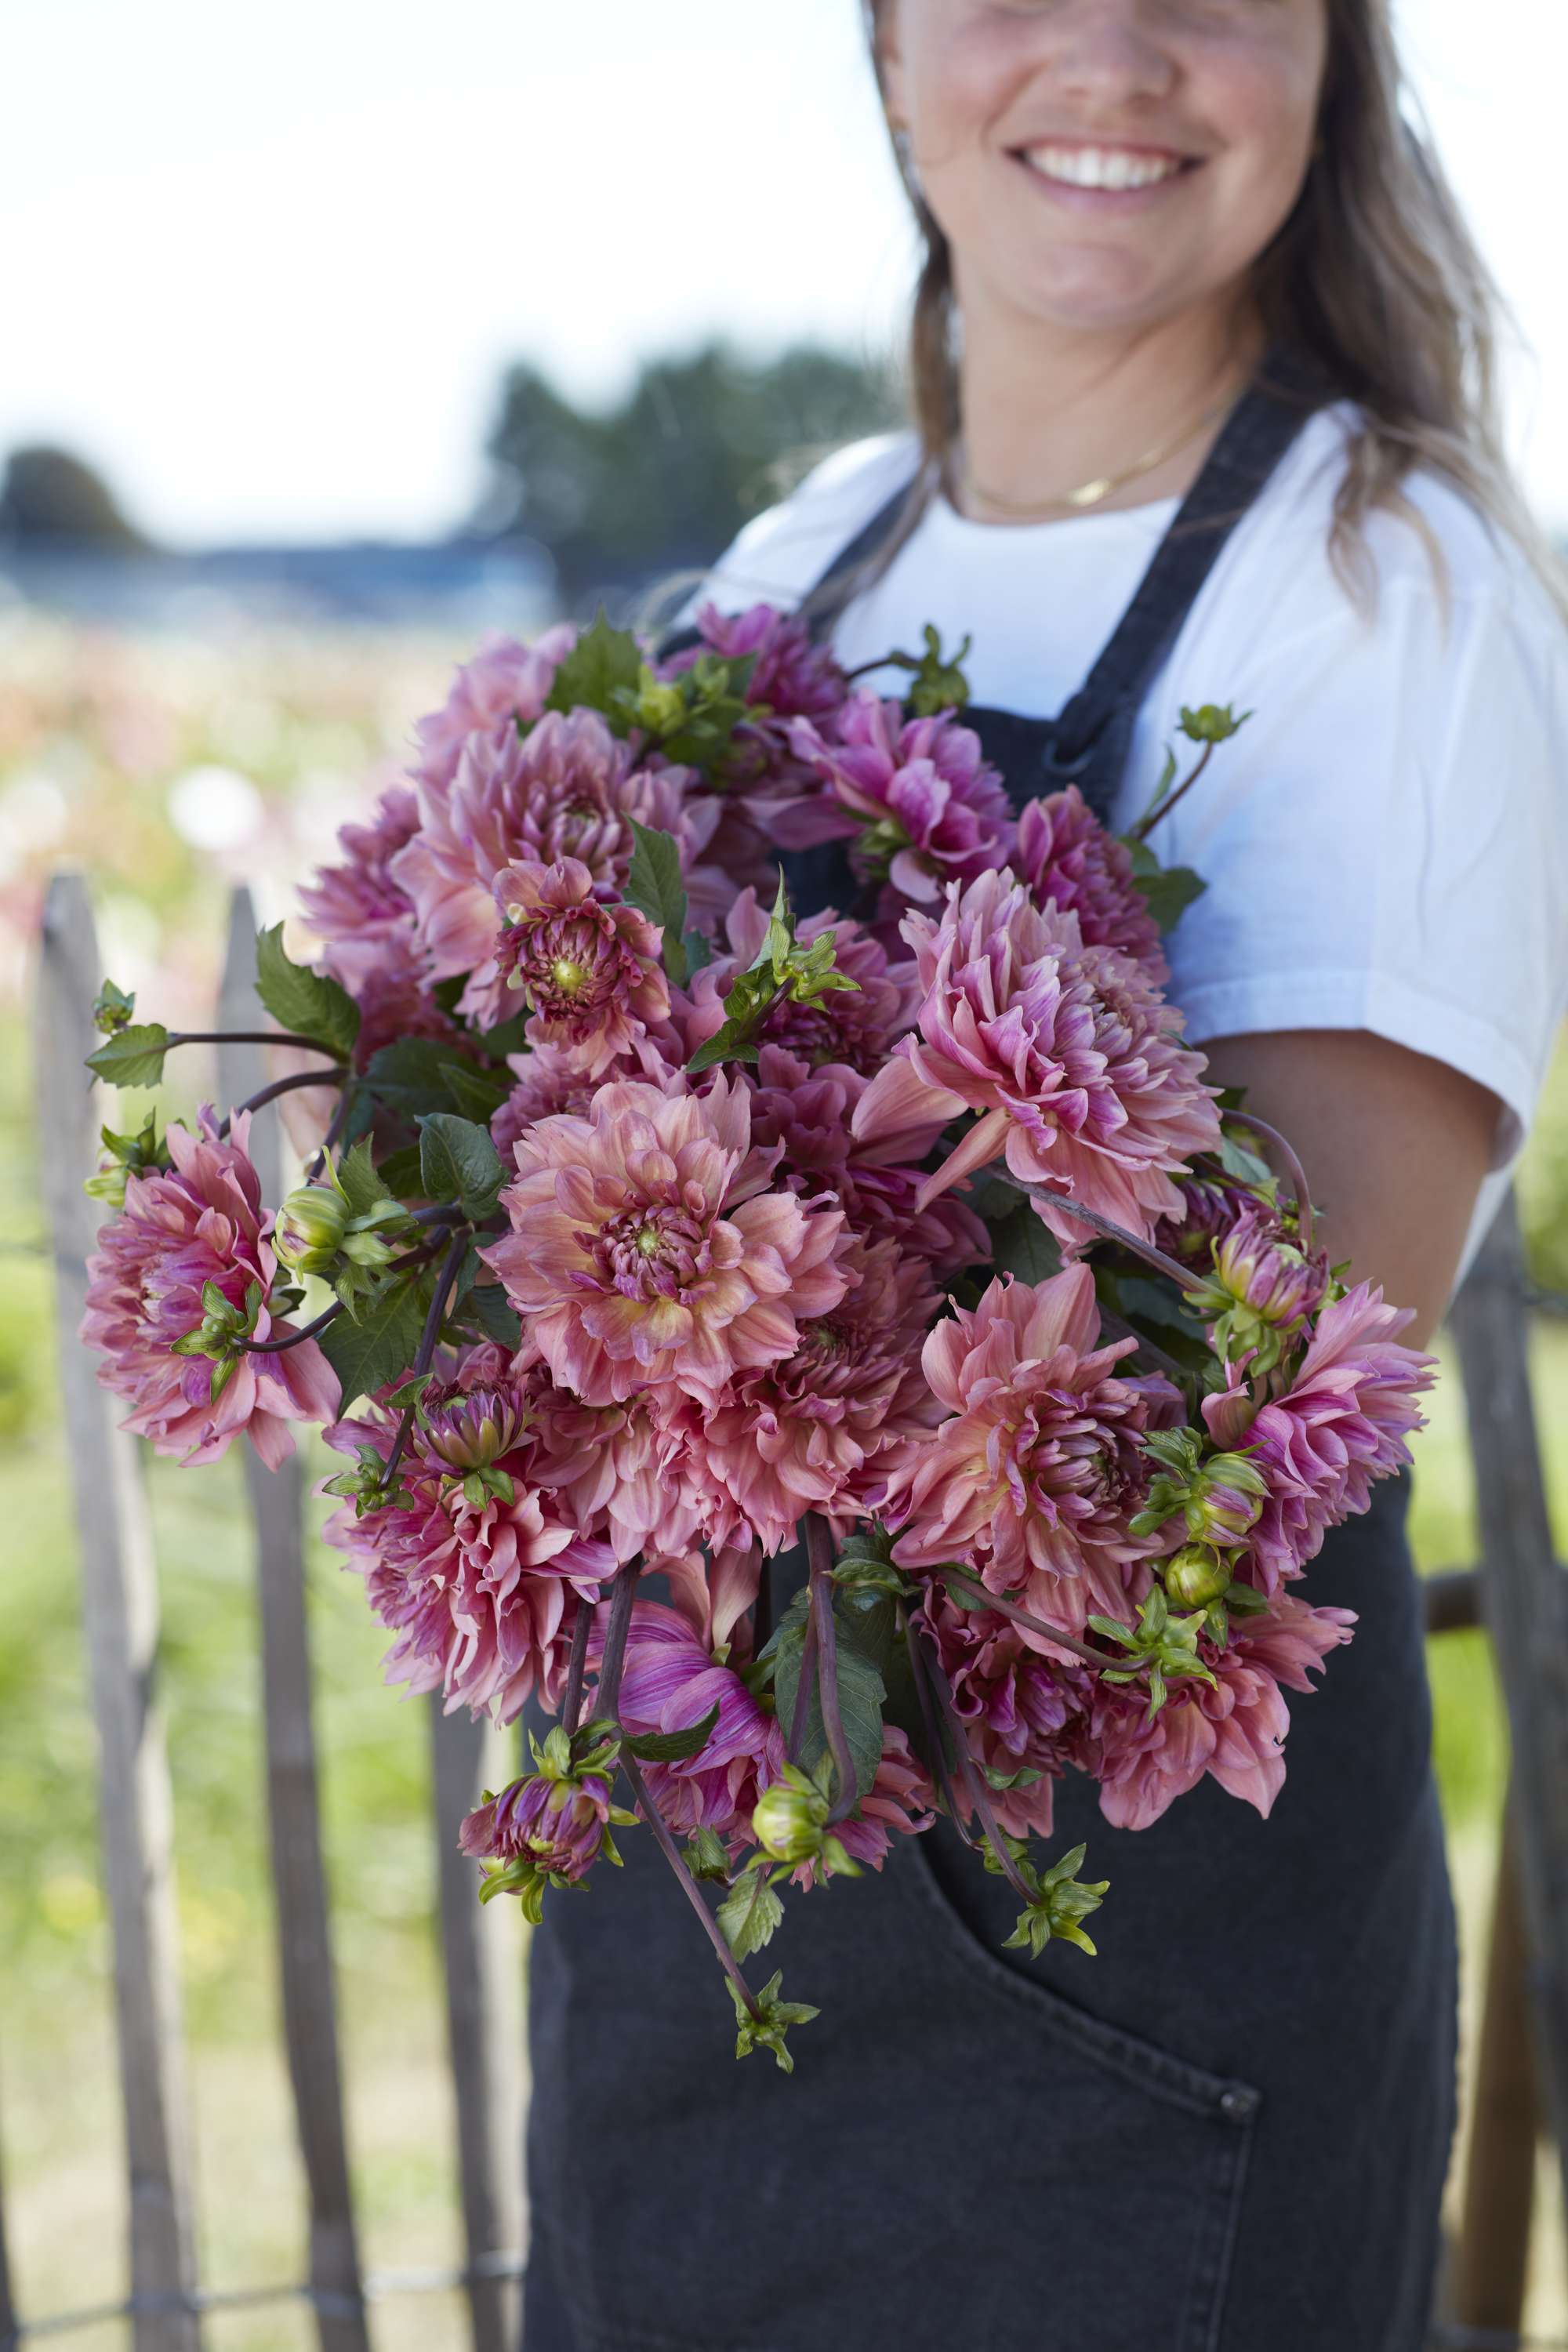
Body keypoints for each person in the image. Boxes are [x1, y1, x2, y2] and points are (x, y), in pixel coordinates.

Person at [521, 5, 1568, 2347]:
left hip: (1115, 2030)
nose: (1115, 52)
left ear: (1330, 59)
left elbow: (1240, 1417)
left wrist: (652, 1277)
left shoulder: (1392, 592)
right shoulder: (800, 562)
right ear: (890, 56)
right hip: (694, 1955)